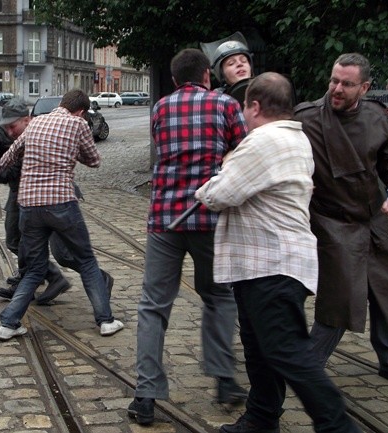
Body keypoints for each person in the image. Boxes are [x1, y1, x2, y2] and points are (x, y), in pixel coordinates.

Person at [196, 72, 361, 433]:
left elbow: (220, 194)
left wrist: (208, 185)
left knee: (289, 352)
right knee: (260, 350)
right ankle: (261, 416)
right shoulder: (295, 138)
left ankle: (338, 426)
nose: (242, 114)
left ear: (254, 106)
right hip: (265, 264)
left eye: (244, 107)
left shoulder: (263, 141)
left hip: (270, 264)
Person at [127, 48, 247, 426]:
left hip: (165, 219)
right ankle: (224, 379)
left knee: (153, 306)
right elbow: (243, 152)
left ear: (176, 79)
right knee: (218, 297)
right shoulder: (227, 106)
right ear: (208, 75)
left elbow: (163, 150)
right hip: (209, 218)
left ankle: (146, 394)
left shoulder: (161, 109)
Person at [294, 53, 388, 390]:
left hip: (372, 219)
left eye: (346, 84)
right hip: (330, 222)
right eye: (334, 80)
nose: (336, 88)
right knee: (339, 299)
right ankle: (308, 368)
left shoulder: (376, 116)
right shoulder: (306, 118)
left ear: (363, 87)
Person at [0, 89, 123, 340]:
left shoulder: (35, 122)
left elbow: (11, 154)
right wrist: (72, 151)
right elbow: (94, 160)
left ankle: (9, 323)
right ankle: (106, 320)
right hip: (60, 203)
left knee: (34, 269)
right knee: (87, 261)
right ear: (80, 111)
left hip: (29, 206)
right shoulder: (77, 123)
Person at [0, 86, 78, 304]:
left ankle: (55, 276)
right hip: (21, 182)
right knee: (18, 238)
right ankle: (32, 276)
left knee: (25, 240)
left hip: (30, 186)